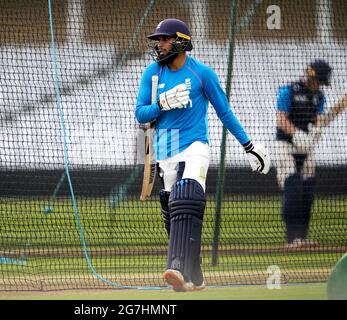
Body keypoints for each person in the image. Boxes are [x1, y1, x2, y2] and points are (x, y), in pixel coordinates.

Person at [135, 18, 271, 292]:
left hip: (195, 144)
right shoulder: (152, 73)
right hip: (165, 148)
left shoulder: (202, 74)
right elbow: (141, 114)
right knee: (172, 212)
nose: (159, 45)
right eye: (157, 40)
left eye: (164, 39)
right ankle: (195, 277)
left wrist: (249, 145)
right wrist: (161, 104)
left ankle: (176, 267)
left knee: (186, 197)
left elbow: (224, 112)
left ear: (181, 41)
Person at [274, 59, 332, 249]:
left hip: (305, 148)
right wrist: (297, 134)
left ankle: (303, 237)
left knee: (308, 187)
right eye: (319, 82)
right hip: (285, 144)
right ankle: (292, 238)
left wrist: (317, 130)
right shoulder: (288, 91)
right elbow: (281, 119)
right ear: (310, 77)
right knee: (293, 186)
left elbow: (318, 119)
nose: (319, 86)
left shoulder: (319, 97)